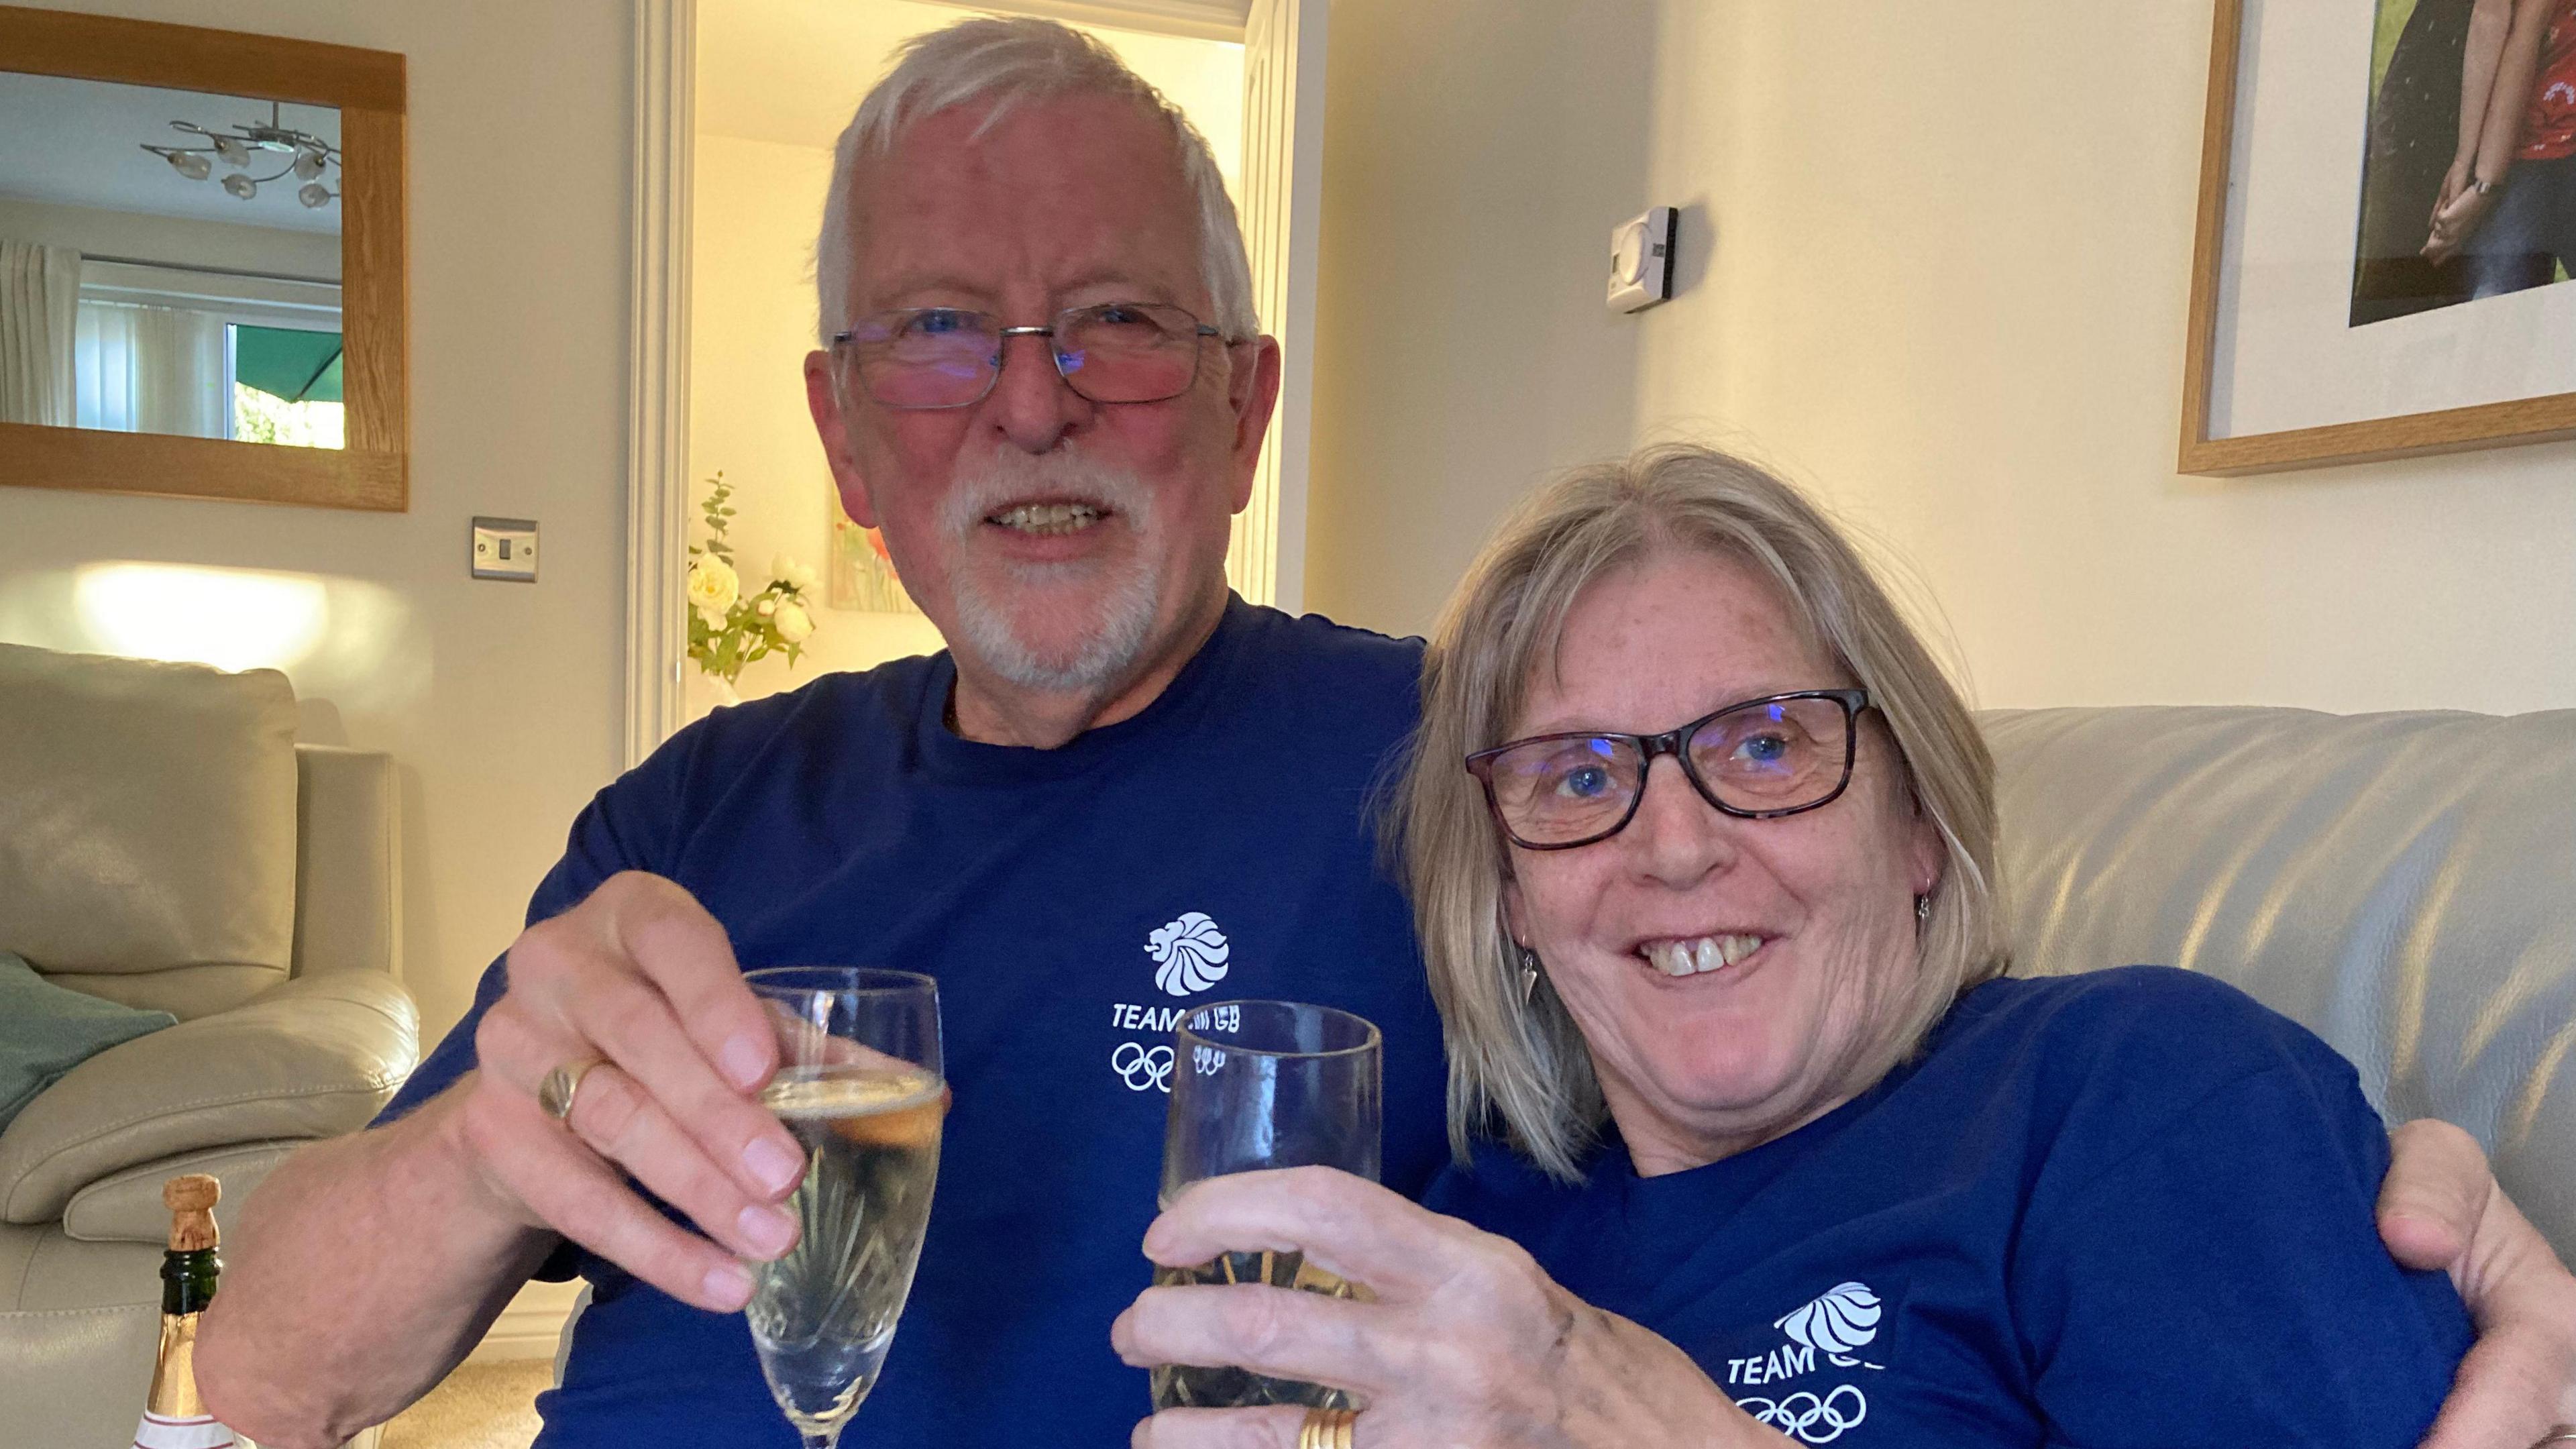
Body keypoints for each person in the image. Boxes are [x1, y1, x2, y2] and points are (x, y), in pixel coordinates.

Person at [193, 19, 2573, 1449]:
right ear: (839, 430)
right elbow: (265, 1383)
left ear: (1243, 412)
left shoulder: (1450, 768)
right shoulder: (686, 820)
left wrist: (2414, 1205)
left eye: (1118, 324)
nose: (1034, 401)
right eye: (942, 331)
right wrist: (485, 1138)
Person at [1114, 445, 2576, 1449]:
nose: (1673, 844)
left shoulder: (2140, 1094)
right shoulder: (1480, 1229)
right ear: (1508, 896)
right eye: (1575, 777)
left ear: (1922, 818)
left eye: (1764, 744)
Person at [2424, 0, 2576, 294]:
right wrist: (2470, 166)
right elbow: (2496, 16)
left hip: (2518, 149)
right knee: (2497, 308)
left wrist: (2482, 181)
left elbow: (2520, 26)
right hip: (2521, 146)